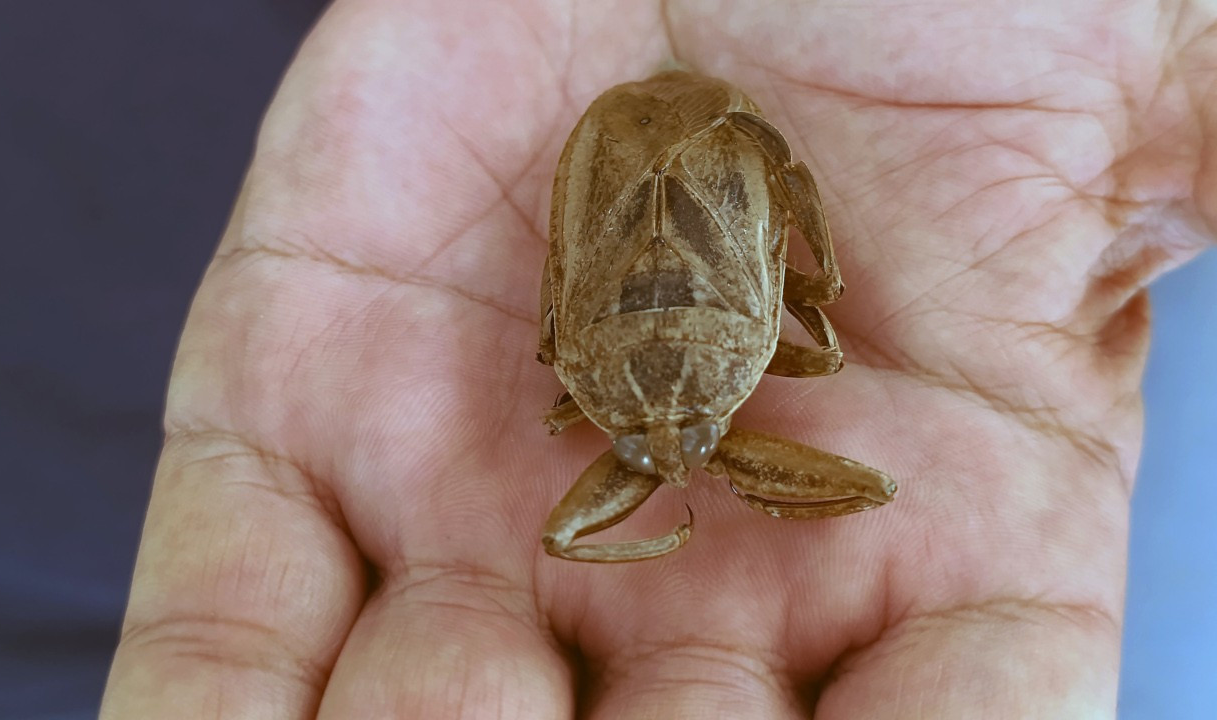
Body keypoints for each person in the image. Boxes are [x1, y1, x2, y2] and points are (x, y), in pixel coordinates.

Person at [98, 1, 1216, 717]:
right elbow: (786, 335)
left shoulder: (602, 377)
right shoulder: (653, 368)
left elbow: (640, 330)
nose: (679, 455)